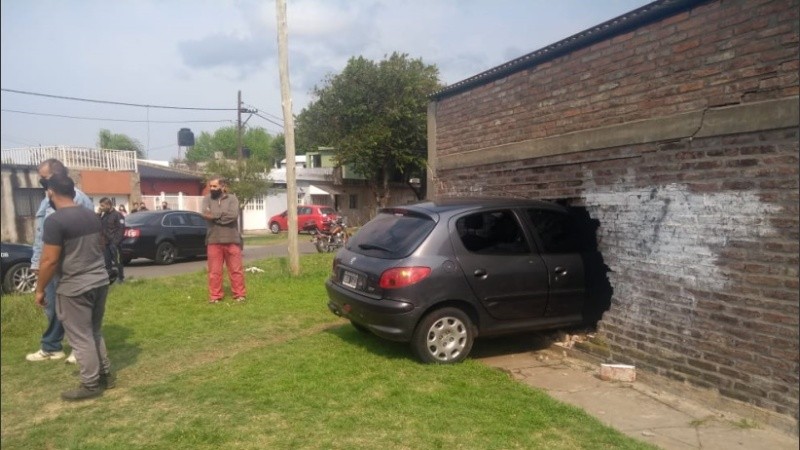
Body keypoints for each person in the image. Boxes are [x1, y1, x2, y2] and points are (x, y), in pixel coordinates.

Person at [34, 173, 114, 401]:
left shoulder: (55, 221)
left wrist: (40, 289)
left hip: (74, 286)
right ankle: (105, 375)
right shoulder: (91, 215)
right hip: (99, 281)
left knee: (80, 337)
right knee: (94, 331)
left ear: (51, 192)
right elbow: (100, 245)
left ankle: (90, 384)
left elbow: (49, 261)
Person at [27, 158, 94, 363]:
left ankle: (78, 347)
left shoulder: (78, 199)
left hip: (66, 263)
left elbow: (86, 233)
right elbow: (41, 234)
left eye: (45, 179)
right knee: (53, 307)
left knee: (72, 308)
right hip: (48, 262)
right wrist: (37, 263)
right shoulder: (47, 198)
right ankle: (52, 346)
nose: (43, 183)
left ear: (57, 175)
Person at [202, 177, 246, 303]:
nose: (212, 189)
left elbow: (233, 216)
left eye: (215, 186)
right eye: (210, 186)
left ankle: (239, 294)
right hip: (213, 240)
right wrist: (222, 215)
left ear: (222, 186)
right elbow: (205, 214)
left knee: (236, 270)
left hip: (232, 240)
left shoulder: (232, 199)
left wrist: (215, 216)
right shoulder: (207, 199)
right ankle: (215, 296)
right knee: (214, 272)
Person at [99, 197, 125, 284]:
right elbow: (97, 224)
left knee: (118, 261)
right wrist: (98, 214)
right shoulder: (104, 215)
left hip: (114, 243)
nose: (101, 207)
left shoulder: (118, 215)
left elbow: (121, 229)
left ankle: (120, 278)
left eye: (102, 206)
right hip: (105, 243)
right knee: (107, 262)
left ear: (108, 205)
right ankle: (109, 279)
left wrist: (115, 242)